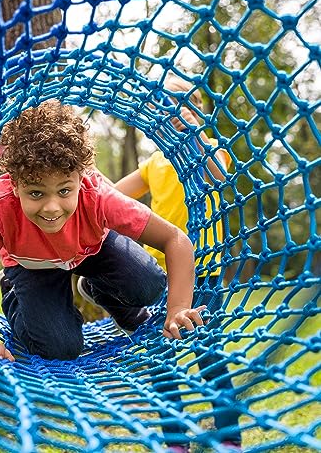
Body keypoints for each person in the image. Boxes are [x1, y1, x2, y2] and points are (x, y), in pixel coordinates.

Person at [0, 99, 205, 365]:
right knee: (60, 347)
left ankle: (95, 286)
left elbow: (175, 239)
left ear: (81, 177)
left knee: (150, 285)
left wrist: (178, 308)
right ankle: (14, 293)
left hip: (91, 250)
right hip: (31, 265)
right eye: (35, 193)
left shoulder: (96, 195)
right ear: (15, 184)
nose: (51, 207)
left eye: (65, 190)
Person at [115, 76, 241, 451]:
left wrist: (197, 140)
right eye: (168, 104)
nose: (178, 110)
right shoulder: (155, 162)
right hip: (157, 275)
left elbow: (221, 177)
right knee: (159, 358)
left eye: (187, 103)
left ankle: (229, 439)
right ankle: (175, 441)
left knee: (208, 353)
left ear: (200, 110)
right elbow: (114, 193)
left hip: (203, 272)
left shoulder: (212, 149)